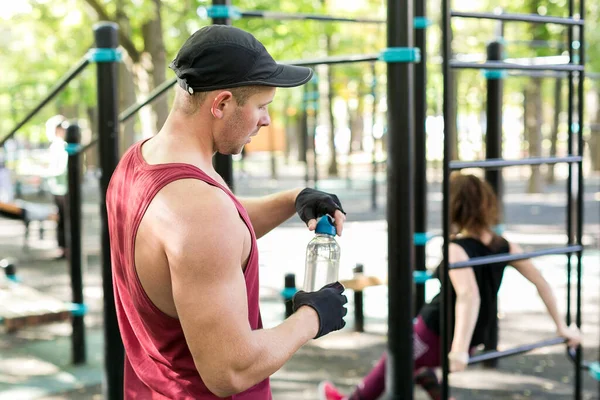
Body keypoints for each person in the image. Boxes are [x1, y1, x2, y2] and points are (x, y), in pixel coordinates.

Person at [106, 25, 349, 399]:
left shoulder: (137, 163)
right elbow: (230, 371)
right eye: (261, 107)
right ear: (220, 104)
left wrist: (293, 199)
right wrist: (313, 316)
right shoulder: (199, 211)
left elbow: (209, 238)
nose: (266, 120)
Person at [319, 172, 581, 400]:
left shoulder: (457, 249)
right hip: (466, 336)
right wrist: (562, 326)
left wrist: (457, 349)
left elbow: (469, 296)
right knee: (415, 363)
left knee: (396, 357)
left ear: (455, 207)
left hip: (438, 332)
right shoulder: (503, 244)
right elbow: (541, 282)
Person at [45, 115, 69, 260]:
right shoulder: (57, 145)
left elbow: (63, 169)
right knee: (61, 219)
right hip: (58, 188)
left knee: (65, 219)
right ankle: (63, 248)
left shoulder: (62, 146)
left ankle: (66, 248)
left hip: (64, 188)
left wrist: (47, 173)